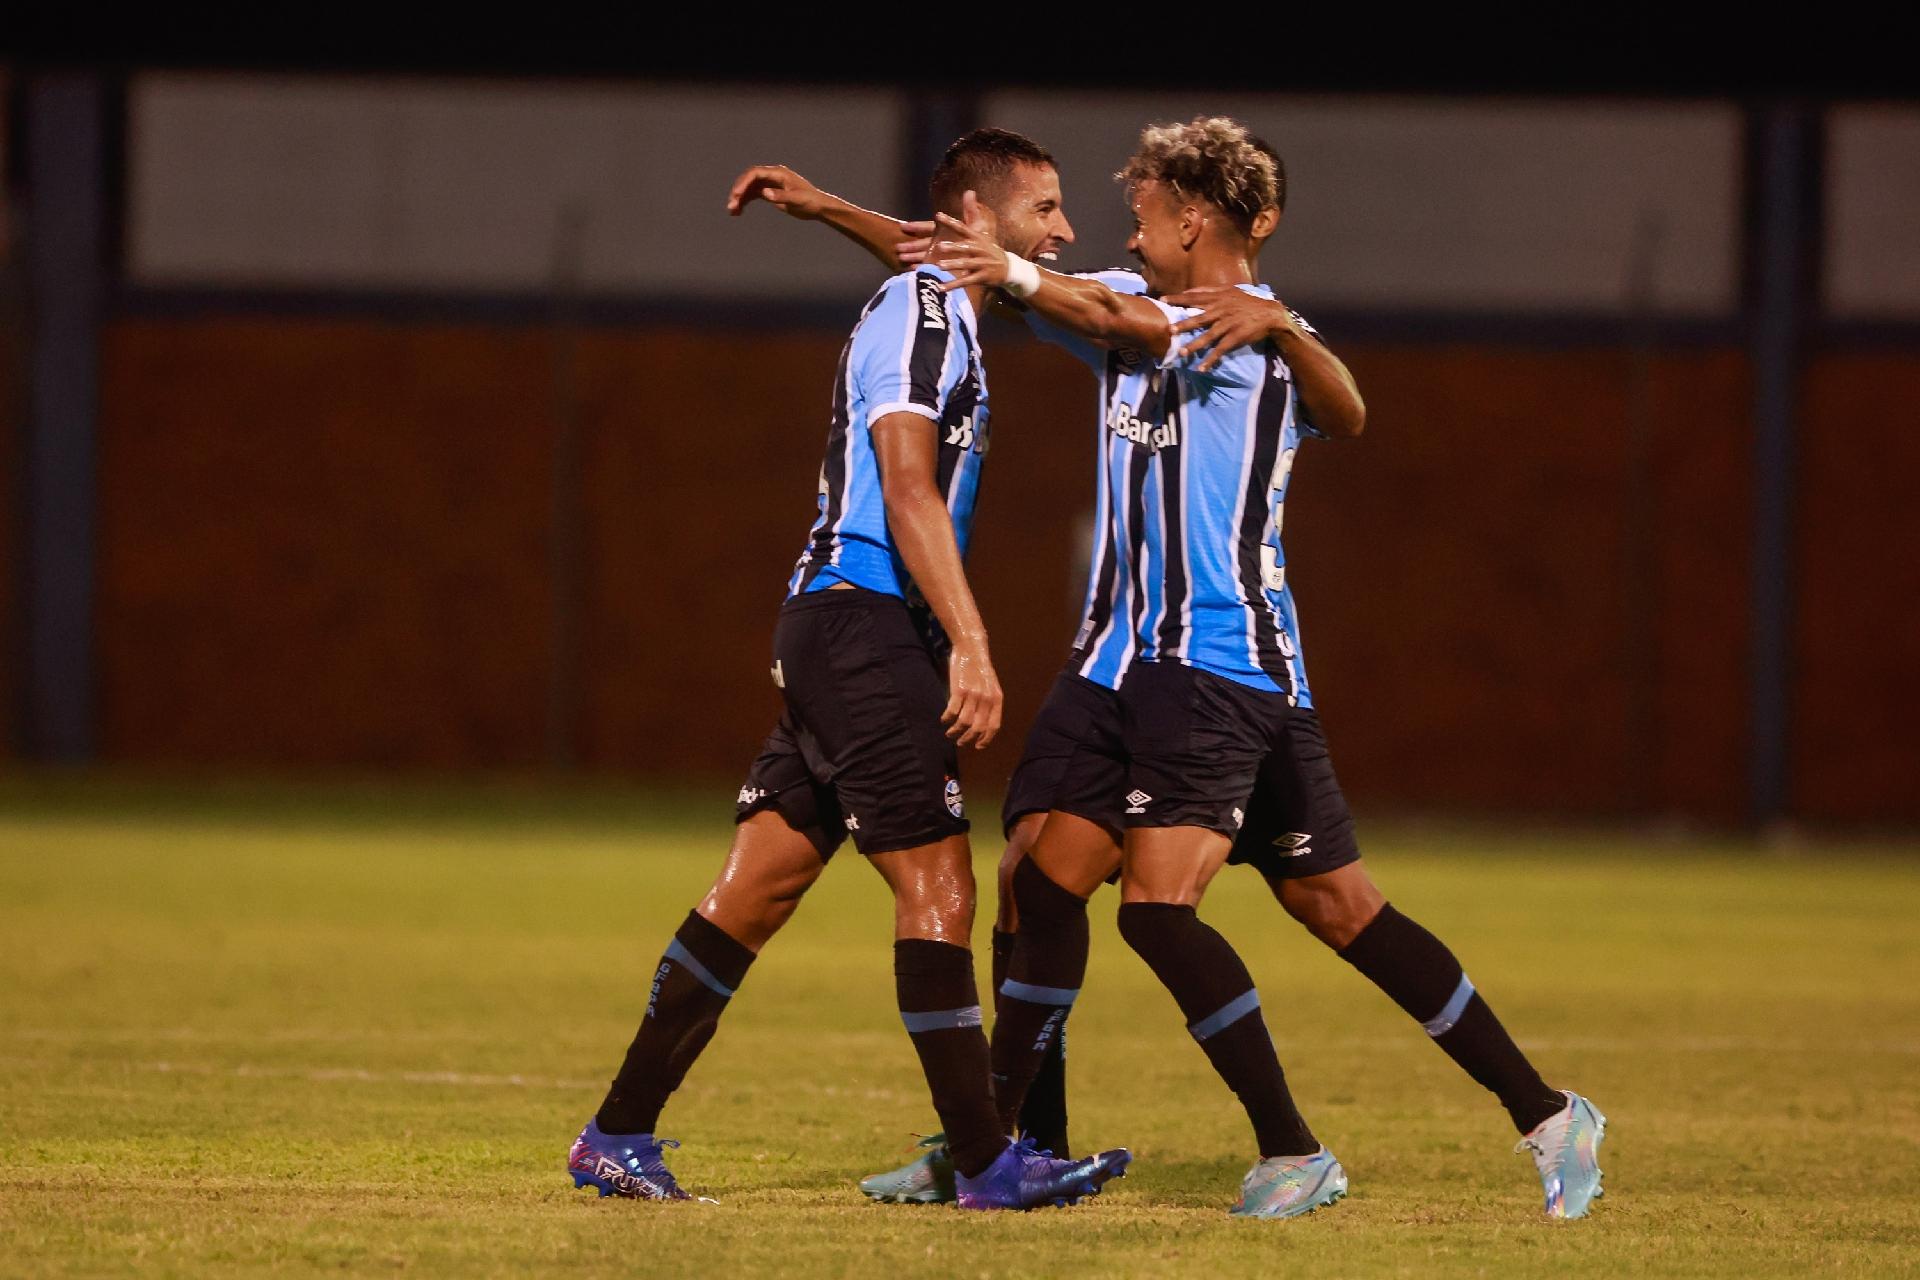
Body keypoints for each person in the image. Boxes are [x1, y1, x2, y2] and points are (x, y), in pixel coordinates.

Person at [923, 114, 1606, 1219]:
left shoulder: (1253, 338)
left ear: (1194, 218)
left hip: (1223, 663)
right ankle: (998, 1144)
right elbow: (1084, 302)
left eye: (1143, 214)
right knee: (1076, 882)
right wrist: (836, 214)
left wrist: (1282, 322)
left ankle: (1299, 1147)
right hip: (1138, 669)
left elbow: (1348, 407)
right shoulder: (1130, 305)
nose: (1124, 232)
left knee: (1170, 909)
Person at [565, 128, 1129, 1211]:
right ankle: (984, 1160)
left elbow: (925, 250)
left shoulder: (946, 298)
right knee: (939, 884)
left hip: (841, 626)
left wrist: (827, 209)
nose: (1063, 230)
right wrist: (968, 639)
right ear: (978, 217)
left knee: (757, 887)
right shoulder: (921, 317)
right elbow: (908, 487)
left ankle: (617, 1131)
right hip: (868, 623)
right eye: (1045, 207)